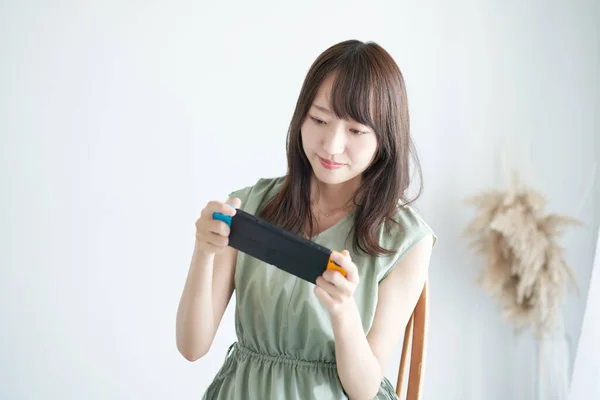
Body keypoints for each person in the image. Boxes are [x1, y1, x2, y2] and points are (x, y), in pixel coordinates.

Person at [176, 39, 436, 400]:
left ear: (384, 138)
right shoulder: (253, 204)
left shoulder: (406, 240)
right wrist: (203, 252)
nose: (331, 145)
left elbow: (363, 390)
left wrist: (344, 313)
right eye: (319, 120)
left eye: (356, 130)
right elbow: (192, 346)